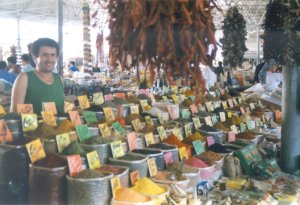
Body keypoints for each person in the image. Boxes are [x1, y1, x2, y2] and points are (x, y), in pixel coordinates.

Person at [10, 38, 64, 114]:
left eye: (53, 55)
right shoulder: (24, 78)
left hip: (61, 125)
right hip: (34, 126)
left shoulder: (59, 79)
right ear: (35, 57)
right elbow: (15, 113)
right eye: (45, 55)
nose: (49, 59)